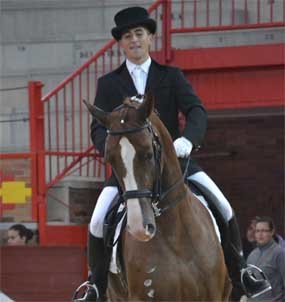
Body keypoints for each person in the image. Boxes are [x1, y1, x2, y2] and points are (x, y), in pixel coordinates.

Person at [74, 6, 271, 302]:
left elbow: (196, 111)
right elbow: (98, 129)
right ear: (121, 43)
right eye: (127, 36)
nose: (134, 40)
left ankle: (241, 272)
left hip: (176, 165)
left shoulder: (171, 75)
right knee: (97, 221)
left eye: (139, 34)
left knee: (224, 206)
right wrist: (114, 151)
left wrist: (188, 140)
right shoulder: (109, 84)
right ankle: (96, 286)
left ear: (150, 37)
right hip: (130, 172)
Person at [247, 216, 285, 301]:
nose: (260, 234)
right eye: (257, 231)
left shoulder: (280, 254)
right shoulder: (251, 255)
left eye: (264, 231)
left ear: (272, 232)